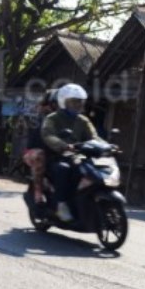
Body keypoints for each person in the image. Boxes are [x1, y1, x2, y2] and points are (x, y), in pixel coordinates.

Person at [41, 83, 99, 222]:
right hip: (57, 157)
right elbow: (48, 135)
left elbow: (94, 137)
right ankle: (61, 205)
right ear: (64, 102)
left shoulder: (83, 120)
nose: (78, 105)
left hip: (78, 156)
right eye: (74, 101)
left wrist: (106, 146)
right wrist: (64, 145)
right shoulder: (52, 118)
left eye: (80, 102)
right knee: (63, 169)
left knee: (91, 170)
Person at [23, 90, 58, 203]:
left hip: (55, 152)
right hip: (35, 151)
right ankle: (38, 193)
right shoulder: (41, 116)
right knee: (39, 156)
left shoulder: (65, 117)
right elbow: (39, 137)